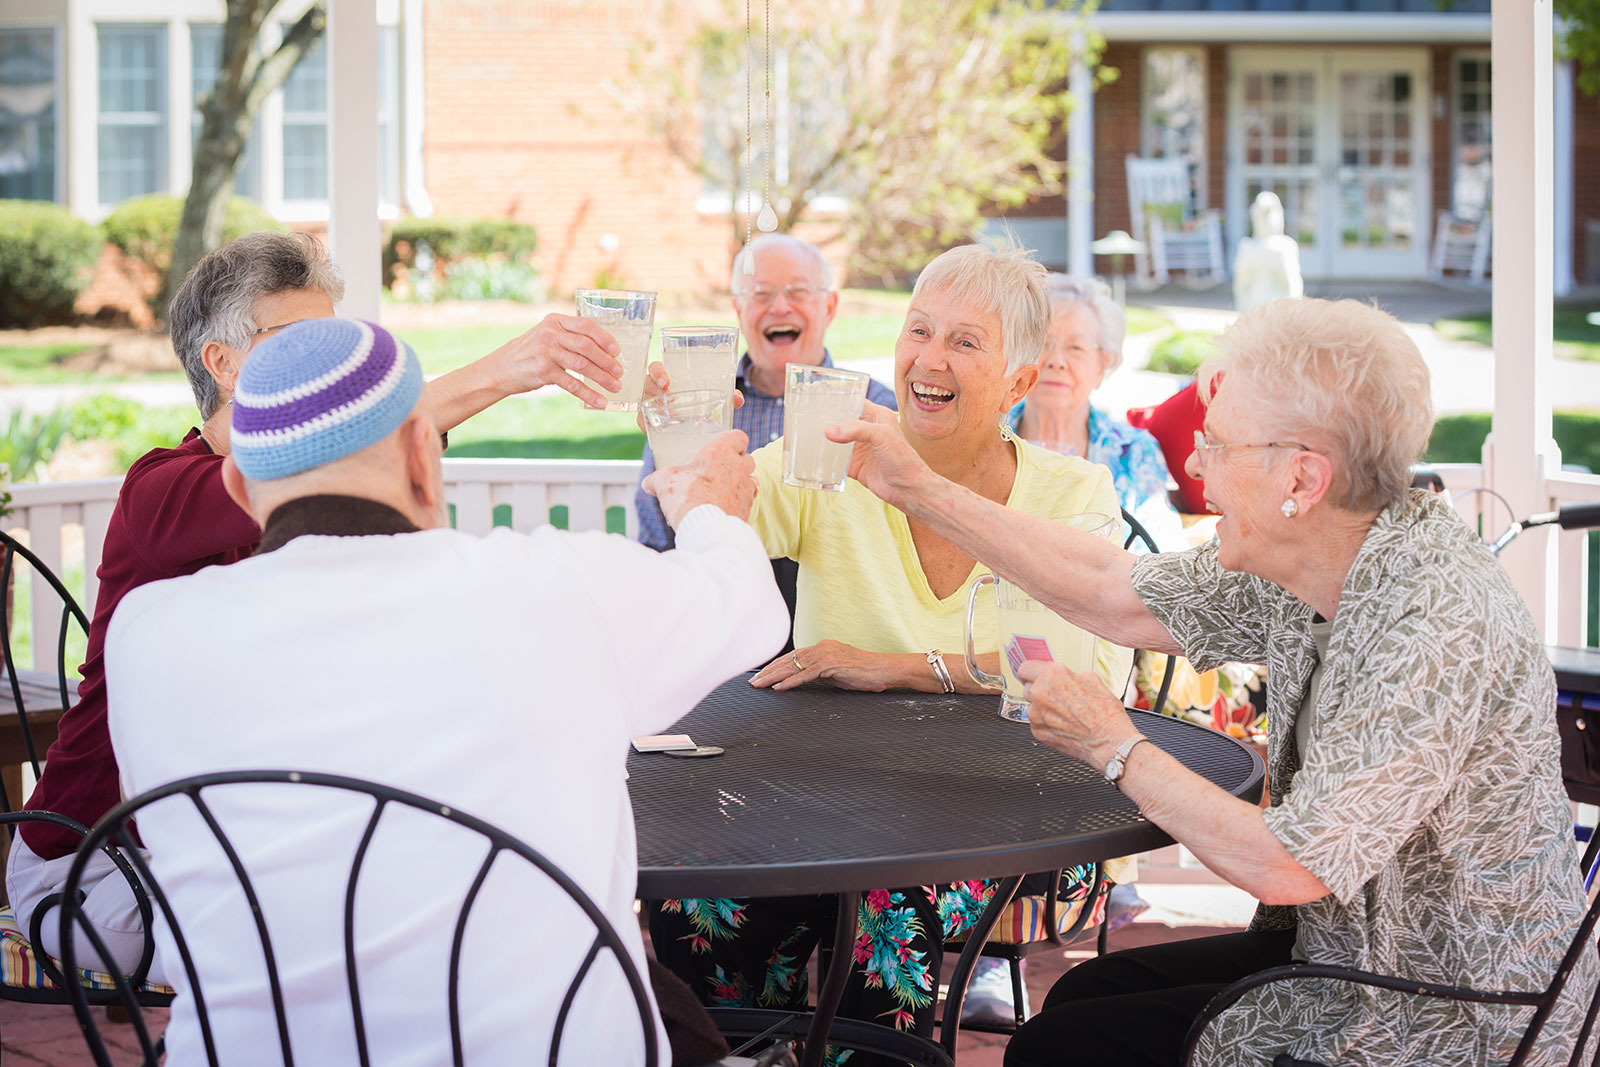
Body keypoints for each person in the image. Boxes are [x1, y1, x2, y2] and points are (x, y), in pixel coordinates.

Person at [832, 297, 1597, 1066]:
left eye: (1217, 442)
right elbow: (1109, 588)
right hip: (1351, 953)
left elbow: (1289, 863)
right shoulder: (1317, 551)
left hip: (1455, 1017)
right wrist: (917, 489)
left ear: (1303, 475)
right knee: (1079, 1000)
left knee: (1060, 1048)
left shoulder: (1433, 620)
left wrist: (1113, 743)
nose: (1194, 465)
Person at [101, 317, 788, 1065]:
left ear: (238, 484)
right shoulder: (552, 588)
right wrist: (707, 506)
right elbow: (745, 603)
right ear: (424, 457)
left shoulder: (145, 636)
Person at [7, 231, 631, 980]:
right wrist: (506, 370)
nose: (331, 366)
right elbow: (333, 448)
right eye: (301, 340)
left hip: (238, 838)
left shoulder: (328, 499)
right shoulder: (161, 494)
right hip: (92, 865)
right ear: (222, 362)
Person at [650, 243, 1132, 1056]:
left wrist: (895, 668)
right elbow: (715, 516)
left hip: (1005, 805)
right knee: (699, 900)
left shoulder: (1068, 495)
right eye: (919, 331)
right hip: (823, 799)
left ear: (1019, 381)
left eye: (965, 342)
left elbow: (1079, 671)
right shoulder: (833, 454)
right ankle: (744, 1055)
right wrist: (687, 448)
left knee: (883, 905)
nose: (929, 359)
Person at [632, 234, 894, 648]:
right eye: (761, 293)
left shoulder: (875, 410)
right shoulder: (688, 409)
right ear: (738, 309)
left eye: (797, 291)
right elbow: (657, 542)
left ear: (829, 307)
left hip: (842, 647)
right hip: (714, 640)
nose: (780, 306)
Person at [1006, 275, 1183, 550]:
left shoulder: (1133, 451)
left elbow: (1159, 554)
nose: (1056, 361)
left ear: (1101, 366)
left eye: (1075, 348)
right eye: (1043, 344)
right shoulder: (989, 437)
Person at [1232, 191, 1304, 315]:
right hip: (1271, 307)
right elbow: (1292, 284)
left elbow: (1241, 284)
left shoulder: (1250, 248)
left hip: (1258, 306)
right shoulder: (1282, 247)